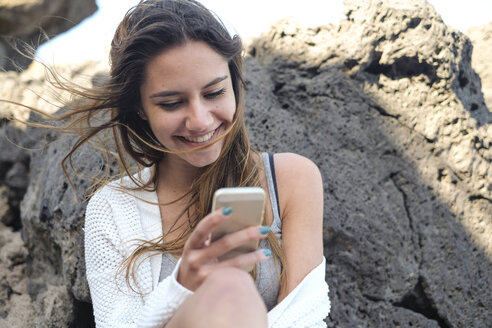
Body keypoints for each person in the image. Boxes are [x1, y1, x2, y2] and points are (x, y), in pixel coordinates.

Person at [80, 0, 330, 327]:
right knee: (229, 283)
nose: (199, 121)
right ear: (140, 107)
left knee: (230, 285)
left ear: (234, 82)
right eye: (171, 103)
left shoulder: (292, 180)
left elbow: (306, 316)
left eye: (214, 93)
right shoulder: (112, 208)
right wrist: (181, 286)